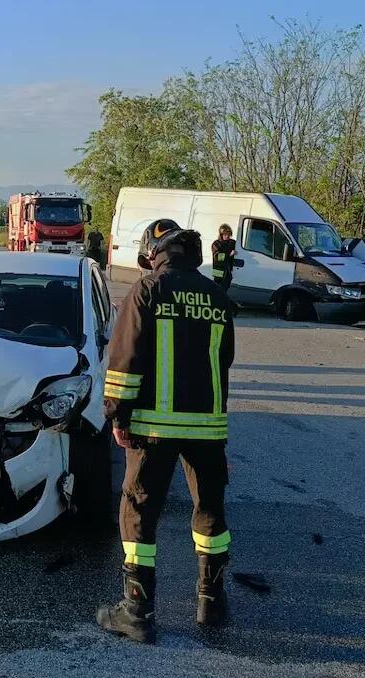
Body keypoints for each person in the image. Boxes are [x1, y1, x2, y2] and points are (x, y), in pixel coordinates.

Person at [96, 218, 236, 644]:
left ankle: (137, 610)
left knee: (138, 511)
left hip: (153, 429)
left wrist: (117, 416)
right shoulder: (216, 296)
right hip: (208, 430)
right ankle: (211, 602)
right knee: (209, 510)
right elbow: (223, 363)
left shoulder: (147, 291)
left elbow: (125, 360)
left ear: (153, 253)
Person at [211, 224, 235, 296]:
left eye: (228, 234)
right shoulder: (216, 243)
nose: (227, 236)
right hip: (218, 270)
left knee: (225, 288)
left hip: (228, 271)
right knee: (216, 288)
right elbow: (217, 257)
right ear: (221, 234)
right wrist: (229, 255)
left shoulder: (232, 243)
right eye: (225, 234)